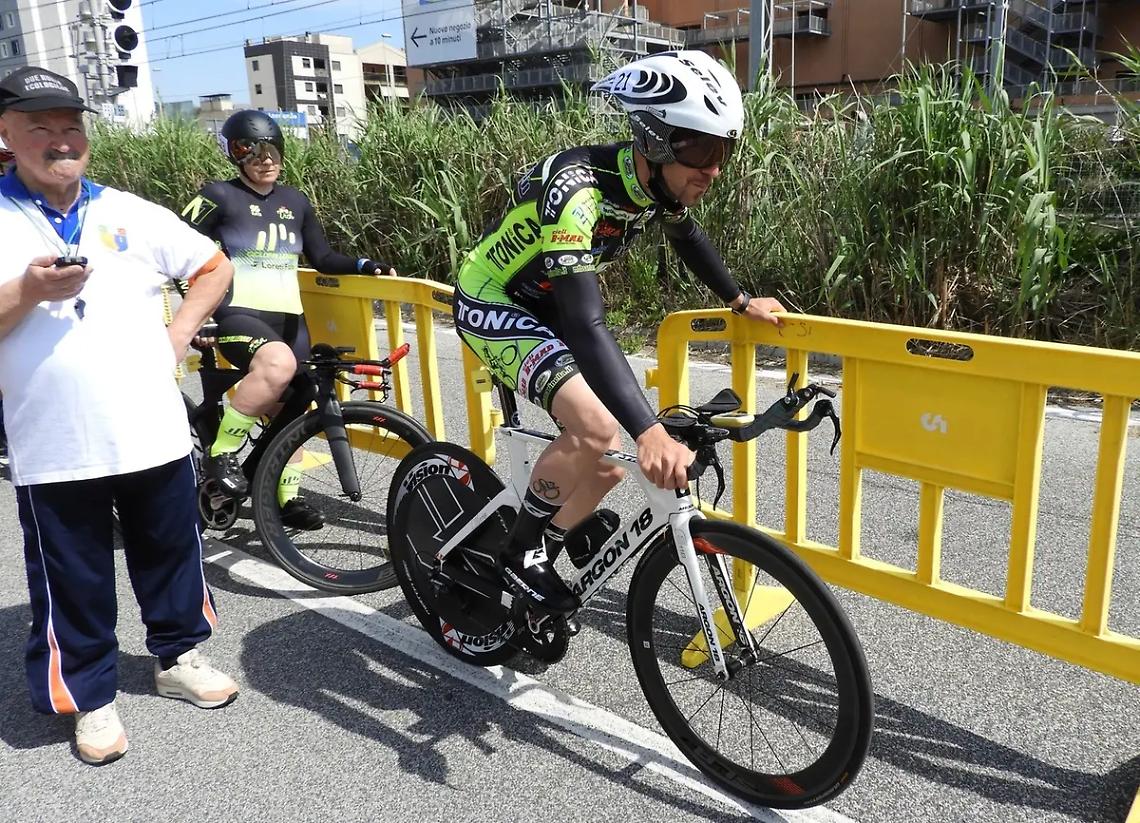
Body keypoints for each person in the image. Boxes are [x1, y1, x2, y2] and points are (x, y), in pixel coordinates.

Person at [453, 51, 786, 614]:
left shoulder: (658, 188)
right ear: (655, 142)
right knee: (600, 425)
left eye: (723, 152)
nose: (715, 169)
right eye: (703, 151)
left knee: (610, 457)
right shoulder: (577, 192)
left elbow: (689, 238)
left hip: (547, 304)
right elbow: (586, 324)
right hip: (494, 300)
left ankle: (555, 535)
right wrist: (648, 431)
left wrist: (740, 300)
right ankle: (520, 551)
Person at [0, 66, 238, 766]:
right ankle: (91, 693)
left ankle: (178, 656)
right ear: (6, 135)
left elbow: (213, 266)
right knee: (72, 575)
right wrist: (26, 290)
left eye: (70, 125)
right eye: (39, 127)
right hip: (54, 443)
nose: (59, 140)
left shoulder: (130, 211)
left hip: (153, 431)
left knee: (171, 552)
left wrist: (178, 332)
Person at [181, 109, 396, 530]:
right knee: (277, 365)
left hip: (290, 321)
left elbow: (323, 258)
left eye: (272, 149)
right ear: (234, 155)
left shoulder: (294, 200)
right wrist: (196, 314)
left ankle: (285, 497)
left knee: (296, 407)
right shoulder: (218, 195)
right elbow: (174, 251)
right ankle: (221, 453)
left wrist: (365, 263)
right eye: (252, 151)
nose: (265, 159)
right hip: (238, 315)